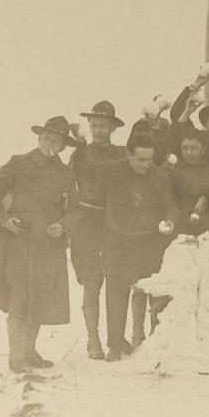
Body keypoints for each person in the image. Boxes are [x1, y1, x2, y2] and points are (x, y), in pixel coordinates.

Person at [0, 116, 80, 373]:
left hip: (48, 248)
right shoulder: (20, 164)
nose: (51, 144)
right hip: (18, 243)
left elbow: (75, 210)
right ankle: (17, 355)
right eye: (47, 137)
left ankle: (30, 350)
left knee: (39, 299)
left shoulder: (65, 174)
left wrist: (63, 225)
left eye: (57, 140)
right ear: (40, 137)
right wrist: (3, 219)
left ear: (64, 146)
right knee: (20, 297)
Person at [91, 132, 179, 361]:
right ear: (128, 155)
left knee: (155, 290)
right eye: (140, 159)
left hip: (150, 242)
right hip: (117, 241)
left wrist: (170, 220)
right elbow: (87, 169)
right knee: (116, 292)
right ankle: (115, 344)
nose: (145, 164)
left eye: (149, 159)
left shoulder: (160, 176)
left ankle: (158, 341)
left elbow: (170, 204)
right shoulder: (113, 170)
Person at [69, 100, 128, 360]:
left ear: (112, 127)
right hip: (87, 222)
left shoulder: (122, 154)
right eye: (94, 125)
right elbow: (69, 182)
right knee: (92, 281)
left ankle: (118, 339)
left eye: (103, 125)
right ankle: (92, 339)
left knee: (117, 278)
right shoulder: (81, 152)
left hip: (114, 221)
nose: (98, 130)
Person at [170, 126, 209, 236]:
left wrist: (207, 198)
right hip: (181, 226)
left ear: (203, 150)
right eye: (185, 148)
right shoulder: (174, 171)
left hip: (207, 226)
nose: (189, 152)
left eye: (194, 148)